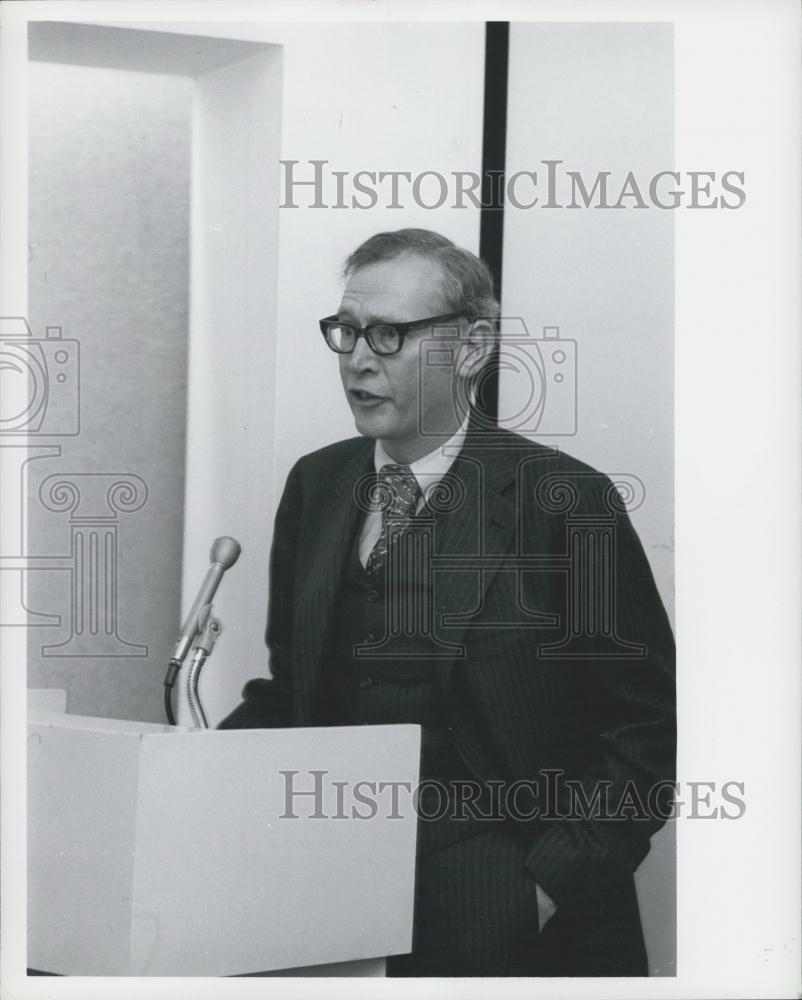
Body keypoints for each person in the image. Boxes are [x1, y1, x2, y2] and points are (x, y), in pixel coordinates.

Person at [219, 228, 676, 977]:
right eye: (348, 332)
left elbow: (648, 729)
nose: (359, 359)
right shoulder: (317, 485)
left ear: (471, 348)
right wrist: (183, 778)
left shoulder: (566, 501)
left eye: (390, 335)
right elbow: (293, 689)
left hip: (511, 906)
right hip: (332, 896)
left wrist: (545, 886)